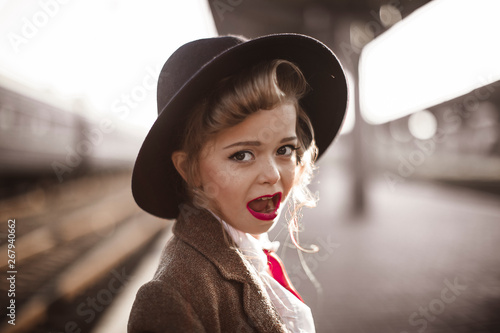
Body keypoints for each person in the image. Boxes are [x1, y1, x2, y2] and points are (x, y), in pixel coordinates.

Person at [128, 33, 348, 333]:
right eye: (242, 155)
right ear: (188, 168)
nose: (271, 174)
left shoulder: (252, 252)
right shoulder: (171, 297)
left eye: (284, 150)